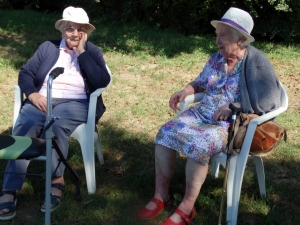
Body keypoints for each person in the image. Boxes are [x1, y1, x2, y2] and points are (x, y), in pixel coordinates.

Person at [137, 7, 280, 225]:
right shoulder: (216, 59)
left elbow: (270, 99)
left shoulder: (256, 62)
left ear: (240, 39)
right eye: (217, 35)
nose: (217, 41)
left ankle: (186, 208)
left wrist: (236, 105)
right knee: (165, 132)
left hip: (228, 125)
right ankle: (161, 196)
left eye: (223, 35)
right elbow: (200, 82)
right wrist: (186, 90)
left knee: (199, 144)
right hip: (201, 113)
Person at [0, 6, 111, 220]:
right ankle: (10, 186)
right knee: (26, 124)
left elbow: (101, 81)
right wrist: (32, 94)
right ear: (62, 30)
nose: (75, 33)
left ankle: (56, 180)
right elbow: (26, 72)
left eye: (80, 29)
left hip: (75, 102)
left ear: (86, 32)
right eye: (70, 28)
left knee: (58, 125)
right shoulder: (47, 48)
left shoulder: (93, 52)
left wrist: (81, 53)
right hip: (43, 98)